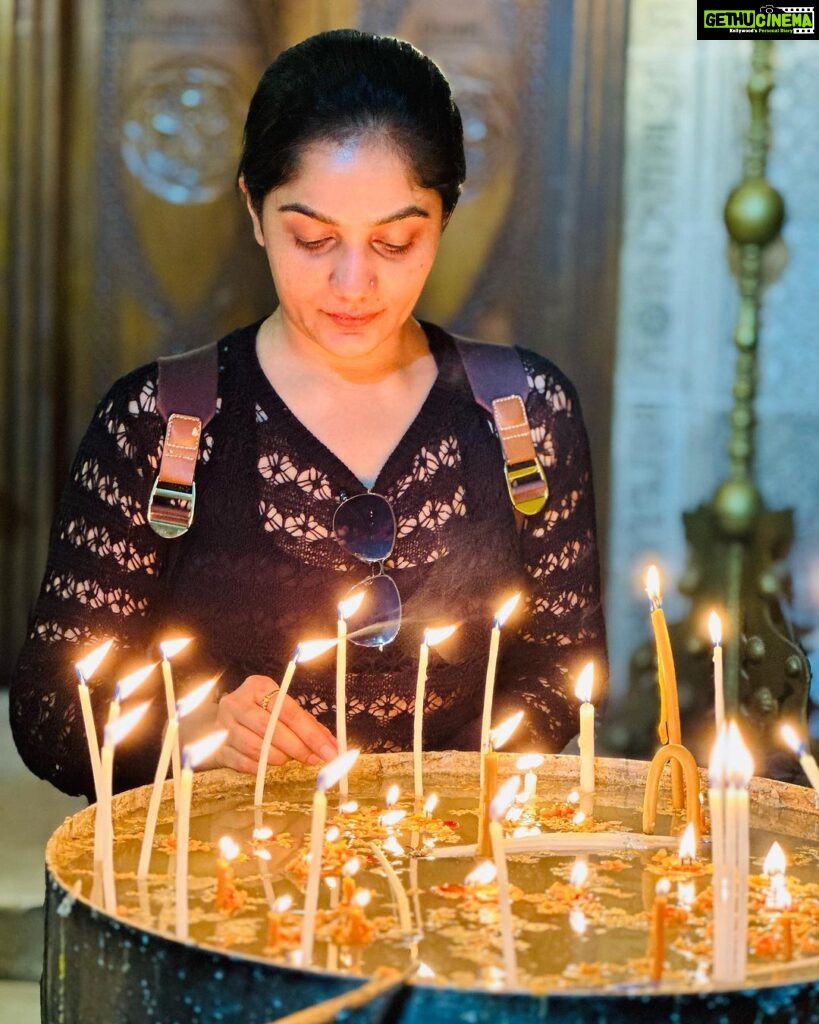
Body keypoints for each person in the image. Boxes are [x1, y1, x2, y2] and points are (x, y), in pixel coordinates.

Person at [10, 29, 607, 801]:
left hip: (446, 880)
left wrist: (459, 779)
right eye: (312, 237)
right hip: (210, 888)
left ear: (444, 219)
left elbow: (564, 665)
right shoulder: (162, 424)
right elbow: (49, 711)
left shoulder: (522, 413)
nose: (351, 283)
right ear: (254, 211)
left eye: (394, 242)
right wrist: (191, 730)